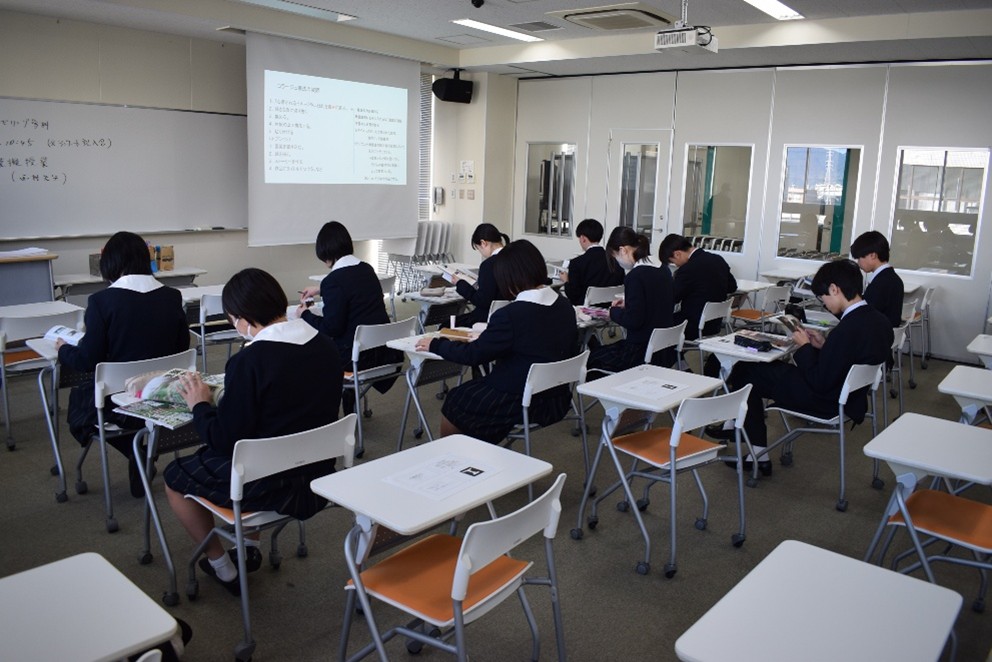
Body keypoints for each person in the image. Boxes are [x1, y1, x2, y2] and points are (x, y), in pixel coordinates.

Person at [164, 268, 342, 595]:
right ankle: (247, 548)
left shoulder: (250, 361)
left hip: (267, 485)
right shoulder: (326, 345)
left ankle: (222, 566)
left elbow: (223, 440)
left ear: (243, 319)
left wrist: (200, 405)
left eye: (233, 320)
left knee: (175, 475)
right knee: (260, 443)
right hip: (317, 475)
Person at [719, 259, 893, 475]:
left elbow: (820, 381)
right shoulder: (879, 321)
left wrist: (804, 347)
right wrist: (824, 346)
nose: (825, 304)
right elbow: (849, 358)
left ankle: (757, 452)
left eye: (823, 298)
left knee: (746, 371)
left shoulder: (846, 329)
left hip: (825, 399)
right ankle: (737, 428)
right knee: (758, 370)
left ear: (834, 289)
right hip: (851, 398)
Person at [57, 231, 189, 497]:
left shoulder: (101, 302)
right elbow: (181, 348)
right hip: (161, 392)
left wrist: (63, 350)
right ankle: (141, 451)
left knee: (80, 405)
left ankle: (134, 449)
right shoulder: (172, 296)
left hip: (117, 402)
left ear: (110, 264)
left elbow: (87, 360)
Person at [415, 240, 577, 443]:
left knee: (457, 399)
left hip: (521, 400)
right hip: (557, 398)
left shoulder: (511, 315)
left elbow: (473, 355)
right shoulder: (564, 305)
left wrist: (436, 344)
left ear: (507, 278)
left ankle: (455, 454)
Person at [298, 221, 400, 414]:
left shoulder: (333, 281)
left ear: (326, 253)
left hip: (355, 359)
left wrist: (305, 314)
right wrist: (320, 289)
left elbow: (332, 328)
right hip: (384, 353)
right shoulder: (367, 269)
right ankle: (348, 397)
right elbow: (353, 289)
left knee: (310, 352)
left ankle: (322, 412)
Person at [587, 227, 674, 374]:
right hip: (663, 348)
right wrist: (628, 304)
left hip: (640, 350)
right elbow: (655, 303)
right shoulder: (663, 269)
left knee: (591, 359)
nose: (617, 262)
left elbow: (633, 321)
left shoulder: (635, 276)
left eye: (615, 257)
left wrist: (613, 312)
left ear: (623, 250)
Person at [659, 233, 738, 341]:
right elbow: (732, 287)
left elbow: (673, 298)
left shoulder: (687, 269)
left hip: (692, 325)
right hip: (715, 323)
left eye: (672, 262)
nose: (676, 265)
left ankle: (669, 352)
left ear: (677, 254)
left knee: (657, 323)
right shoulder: (718, 259)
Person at [451, 223, 509, 327]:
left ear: (483, 243)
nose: (481, 253)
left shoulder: (489, 265)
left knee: (446, 325)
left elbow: (482, 301)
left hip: (486, 318)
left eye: (478, 248)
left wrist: (460, 284)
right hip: (509, 315)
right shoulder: (515, 258)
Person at [561, 218, 624, 306]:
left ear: (583, 238)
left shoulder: (577, 263)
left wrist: (566, 281)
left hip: (585, 309)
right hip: (611, 308)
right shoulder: (616, 260)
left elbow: (573, 297)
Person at [851, 230, 904, 328]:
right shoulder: (891, 277)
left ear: (873, 255)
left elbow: (864, 315)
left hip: (877, 333)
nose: (858, 263)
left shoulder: (881, 283)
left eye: (859, 258)